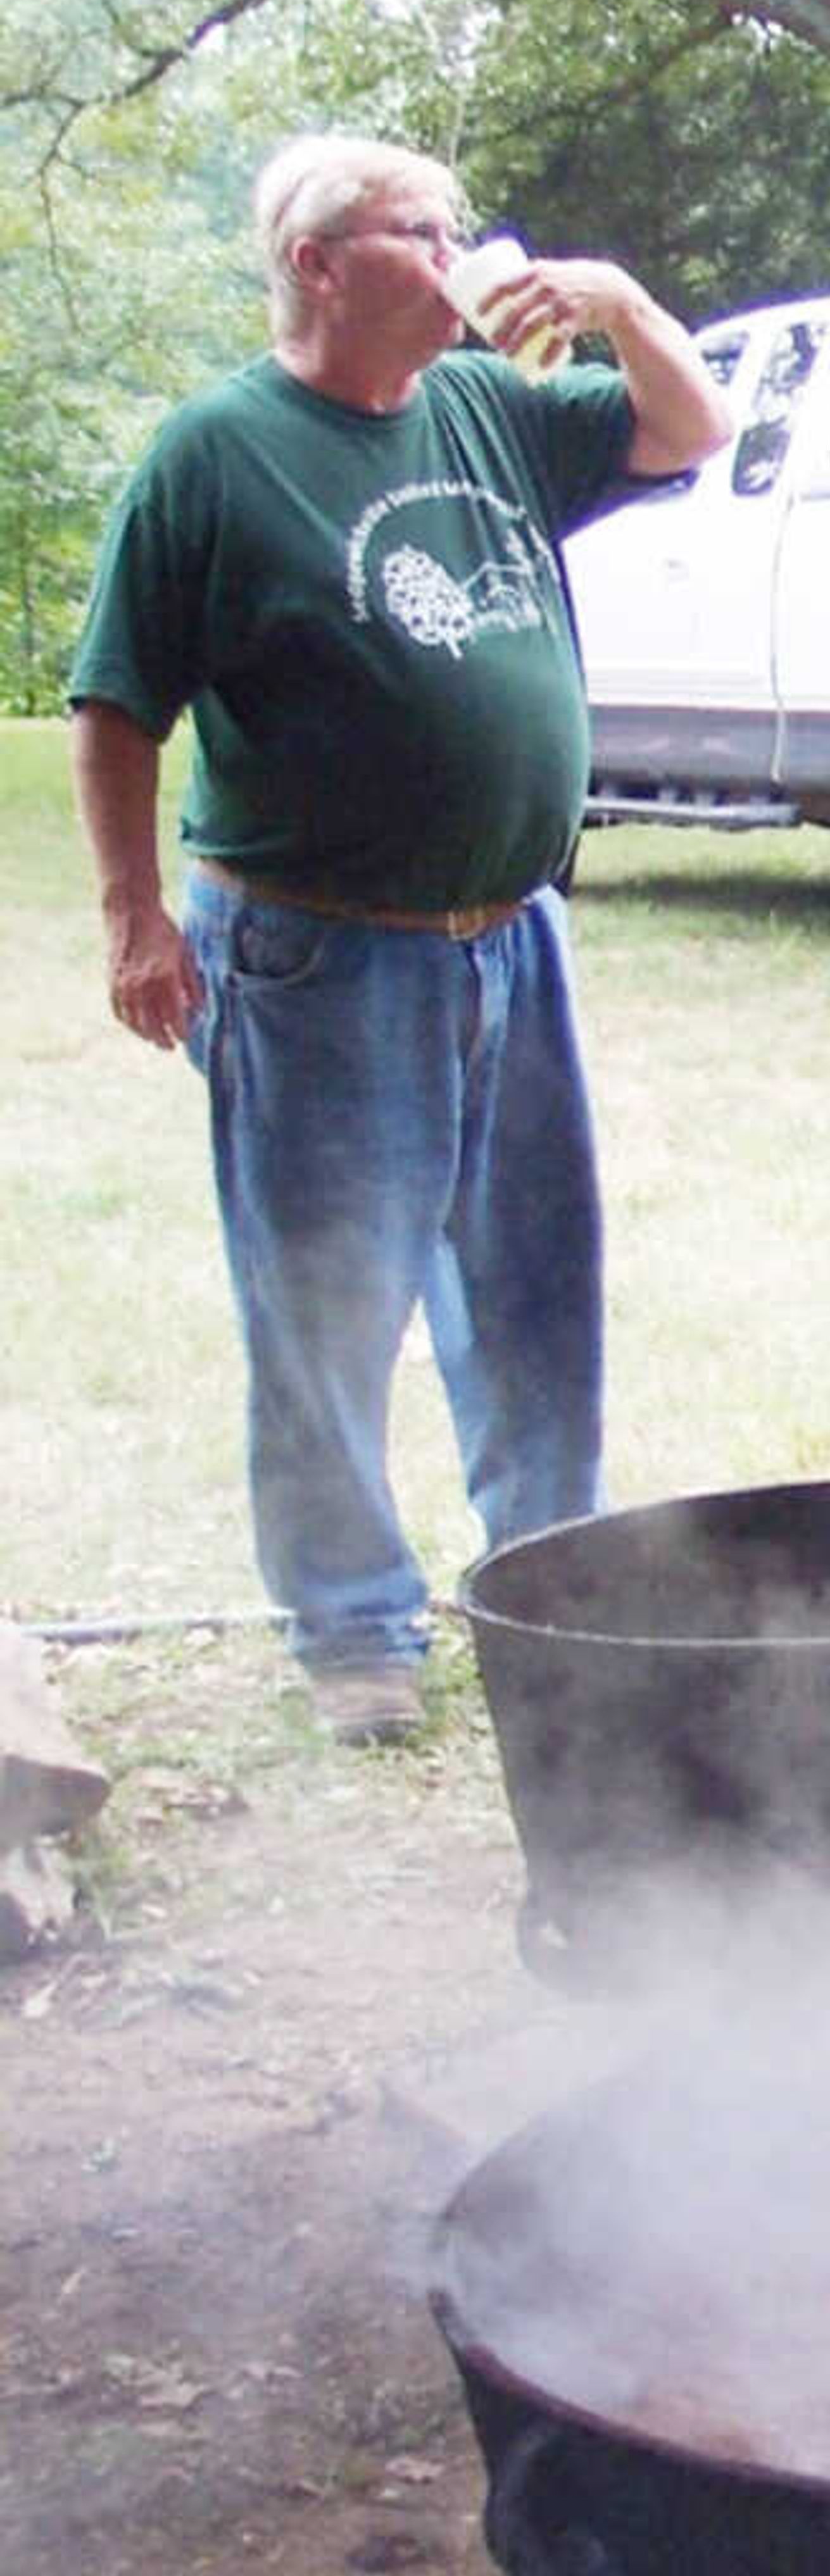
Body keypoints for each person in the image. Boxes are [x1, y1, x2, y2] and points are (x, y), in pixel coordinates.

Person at [68, 135, 734, 1747]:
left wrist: (624, 298)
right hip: (315, 952)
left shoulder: (487, 406)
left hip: (510, 938)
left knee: (532, 1292)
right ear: (317, 263)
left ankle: (551, 1584)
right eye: (416, 233)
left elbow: (689, 426)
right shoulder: (217, 457)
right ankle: (356, 1630)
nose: (456, 256)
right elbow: (114, 701)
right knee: (326, 1305)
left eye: (456, 225)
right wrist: (134, 918)